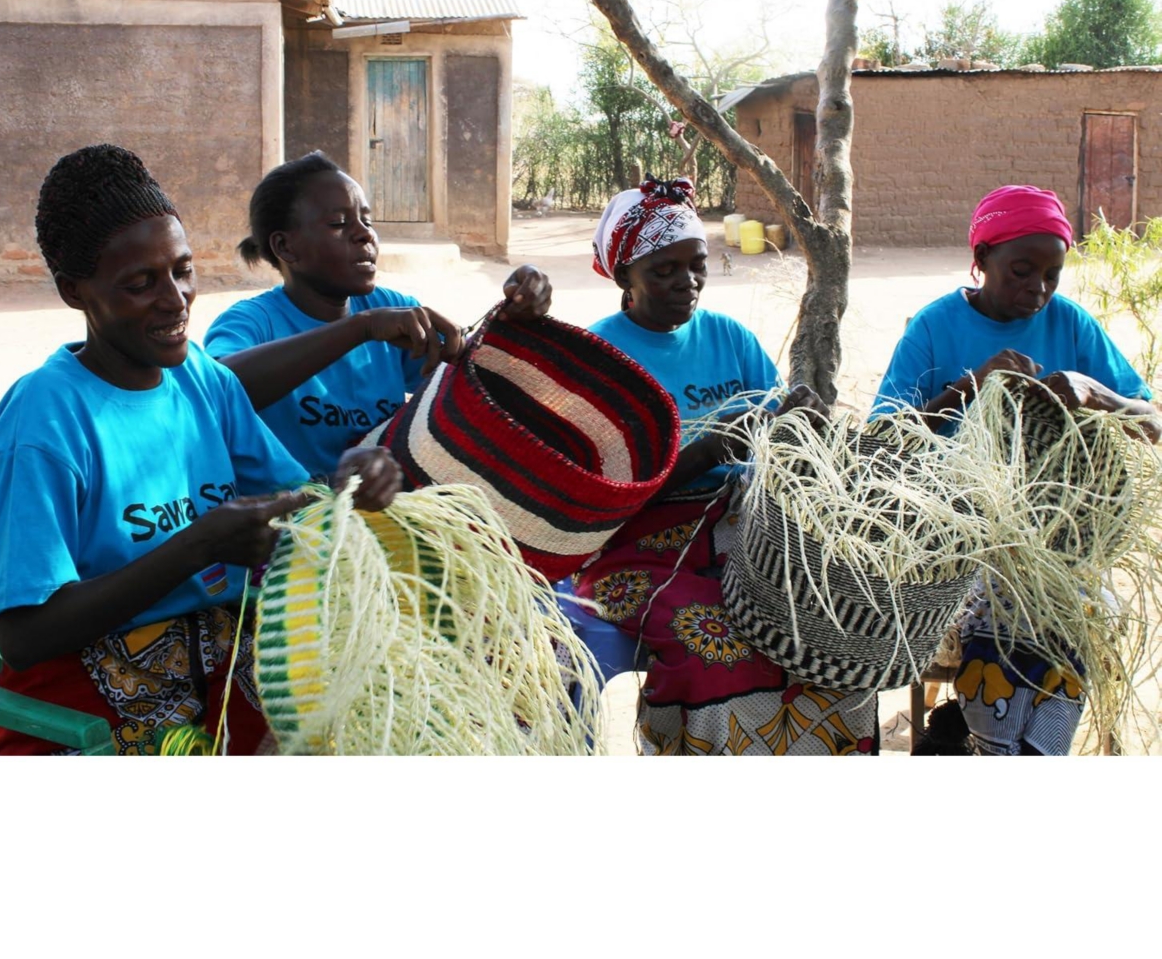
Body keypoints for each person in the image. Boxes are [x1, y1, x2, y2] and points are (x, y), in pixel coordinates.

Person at [0, 145, 401, 756]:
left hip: (220, 660)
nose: (176, 300)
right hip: (84, 694)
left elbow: (296, 500)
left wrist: (345, 484)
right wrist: (195, 547)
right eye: (140, 284)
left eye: (183, 270)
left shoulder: (201, 379)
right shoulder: (44, 420)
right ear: (75, 291)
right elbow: (23, 637)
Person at [571, 176, 881, 755]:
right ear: (624, 276)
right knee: (714, 648)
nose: (687, 282)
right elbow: (595, 502)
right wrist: (704, 454)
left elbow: (777, 437)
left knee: (829, 636)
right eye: (664, 270)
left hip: (743, 533)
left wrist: (797, 420)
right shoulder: (596, 358)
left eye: (697, 265)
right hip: (635, 550)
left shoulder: (728, 337)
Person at [873, 184, 1159, 756]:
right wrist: (971, 385)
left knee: (1079, 612)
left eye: (1053, 275)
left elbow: (1151, 421)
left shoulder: (1070, 323)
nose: (1039, 289)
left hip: (1059, 540)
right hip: (959, 534)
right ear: (981, 260)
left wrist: (1097, 392)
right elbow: (883, 442)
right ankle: (1005, 746)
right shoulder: (934, 327)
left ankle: (992, 744)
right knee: (1003, 615)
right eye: (1021, 272)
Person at [204, 151, 552, 480]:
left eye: (367, 220)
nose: (365, 233)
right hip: (297, 512)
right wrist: (361, 329)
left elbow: (472, 379)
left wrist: (515, 319)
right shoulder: (253, 322)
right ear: (285, 247)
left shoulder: (391, 306)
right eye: (339, 223)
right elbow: (213, 393)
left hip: (385, 507)